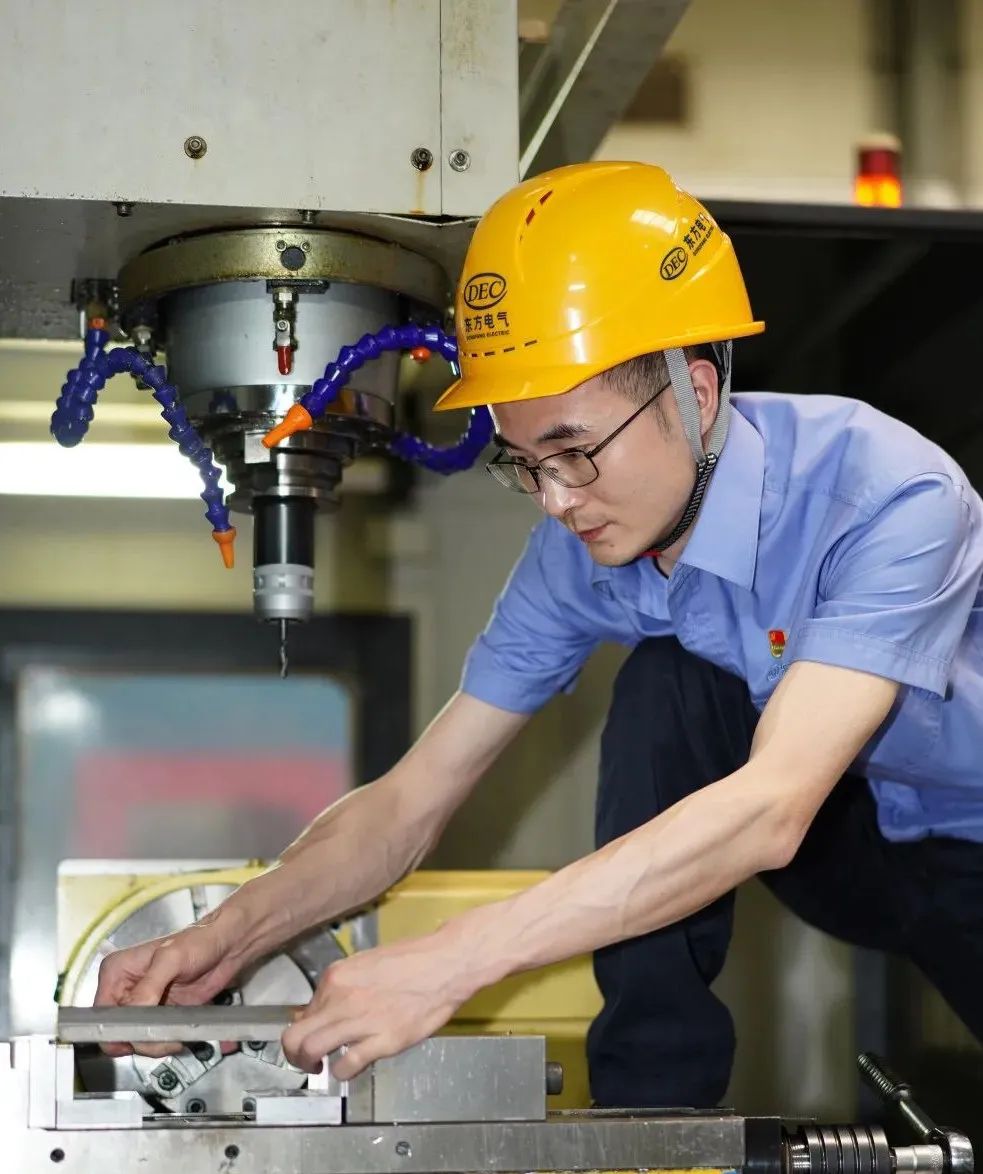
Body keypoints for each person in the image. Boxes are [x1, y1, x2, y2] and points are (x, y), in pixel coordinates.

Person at [95, 162, 983, 1109]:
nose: (557, 500)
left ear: (695, 393)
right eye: (524, 463)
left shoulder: (886, 495)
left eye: (574, 450)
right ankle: (650, 1117)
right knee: (668, 681)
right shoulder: (577, 550)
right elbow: (409, 801)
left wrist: (453, 962)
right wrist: (226, 937)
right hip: (846, 847)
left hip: (948, 847)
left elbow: (771, 807)